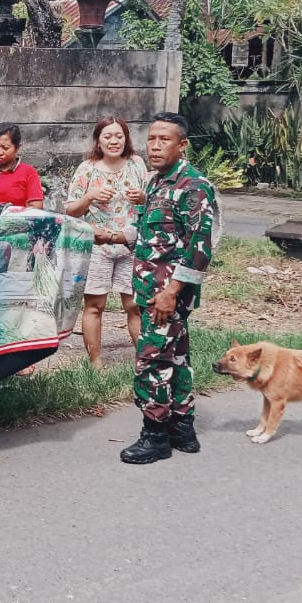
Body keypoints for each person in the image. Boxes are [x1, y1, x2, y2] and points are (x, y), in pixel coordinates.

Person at [120, 112, 217, 465]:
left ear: (182, 145)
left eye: (165, 140)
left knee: (151, 360)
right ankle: (182, 429)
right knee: (176, 357)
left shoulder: (193, 186)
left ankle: (155, 435)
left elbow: (199, 249)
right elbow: (152, 235)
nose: (156, 146)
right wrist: (110, 236)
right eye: (152, 139)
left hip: (166, 294)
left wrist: (171, 291)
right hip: (152, 289)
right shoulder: (156, 182)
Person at [63, 116, 149, 367]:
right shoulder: (87, 169)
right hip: (98, 247)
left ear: (126, 138)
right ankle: (95, 363)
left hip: (131, 245)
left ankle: (145, 360)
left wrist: (142, 197)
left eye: (119, 136)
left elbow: (152, 200)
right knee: (95, 305)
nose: (114, 141)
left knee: (134, 306)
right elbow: (70, 211)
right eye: (108, 136)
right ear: (98, 141)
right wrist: (90, 196)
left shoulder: (136, 164)